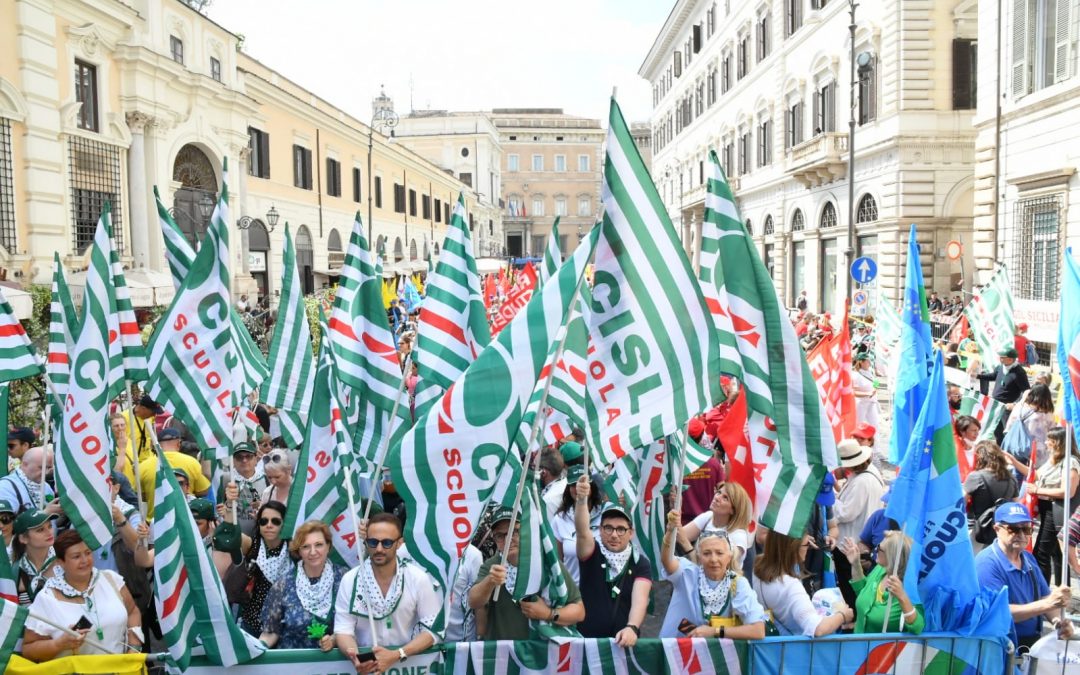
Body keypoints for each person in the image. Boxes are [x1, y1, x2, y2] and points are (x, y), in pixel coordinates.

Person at [335, 513, 440, 673]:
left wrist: (397, 655)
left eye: (386, 543)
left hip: (408, 666)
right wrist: (356, 657)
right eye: (372, 542)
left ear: (399, 543)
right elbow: (343, 630)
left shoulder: (417, 578)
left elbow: (433, 629)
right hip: (368, 668)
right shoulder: (350, 580)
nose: (378, 549)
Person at [22, 528, 143, 659]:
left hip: (122, 669)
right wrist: (59, 644)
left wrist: (134, 646)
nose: (85, 560)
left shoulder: (111, 579)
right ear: (61, 562)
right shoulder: (47, 598)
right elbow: (28, 649)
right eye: (76, 556)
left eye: (88, 553)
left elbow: (132, 612)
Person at [469, 507, 585, 641]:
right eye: (500, 536)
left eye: (514, 532)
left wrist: (548, 614)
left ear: (525, 532)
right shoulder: (492, 565)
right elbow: (474, 601)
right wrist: (490, 581)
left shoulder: (547, 563)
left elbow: (579, 611)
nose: (508, 539)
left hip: (540, 652)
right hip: (503, 654)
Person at [976, 502, 1074, 649]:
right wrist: (1046, 604)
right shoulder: (987, 563)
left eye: (1027, 529)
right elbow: (999, 612)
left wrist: (1058, 621)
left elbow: (1044, 596)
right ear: (997, 529)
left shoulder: (1028, 558)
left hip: (1030, 643)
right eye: (1014, 529)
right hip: (1000, 646)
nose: (1021, 535)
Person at [660, 511, 766, 640]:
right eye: (707, 553)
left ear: (730, 556)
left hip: (717, 655)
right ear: (699, 556)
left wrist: (715, 631)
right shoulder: (688, 573)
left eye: (719, 553)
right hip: (677, 652)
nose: (713, 559)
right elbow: (667, 561)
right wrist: (670, 533)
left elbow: (758, 631)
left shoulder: (737, 583)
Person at [573, 477, 651, 643]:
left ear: (631, 533)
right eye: (608, 528)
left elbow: (640, 599)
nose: (614, 534)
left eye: (621, 529)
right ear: (600, 530)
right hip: (588, 642)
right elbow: (581, 531)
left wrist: (632, 627)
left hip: (624, 642)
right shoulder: (591, 551)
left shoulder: (640, 562)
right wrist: (581, 500)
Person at [259, 520, 346, 650]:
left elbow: (356, 625)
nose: (312, 552)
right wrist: (257, 649)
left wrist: (334, 640)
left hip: (336, 666)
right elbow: (270, 632)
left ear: (328, 546)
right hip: (293, 665)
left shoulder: (345, 578)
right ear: (299, 551)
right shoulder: (283, 584)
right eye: (306, 546)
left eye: (319, 545)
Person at [753, 529, 853, 636]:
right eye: (806, 544)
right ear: (794, 547)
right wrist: (843, 615)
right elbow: (817, 629)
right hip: (791, 649)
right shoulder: (790, 585)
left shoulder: (758, 565)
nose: (808, 549)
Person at [832, 438, 885, 607]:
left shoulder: (862, 481)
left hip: (850, 544)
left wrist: (830, 499)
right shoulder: (871, 472)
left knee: (851, 588)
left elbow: (846, 513)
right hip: (859, 541)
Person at [839, 531, 924, 634]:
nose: (875, 550)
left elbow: (918, 628)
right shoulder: (881, 569)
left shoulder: (911, 588)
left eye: (879, 548)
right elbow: (863, 592)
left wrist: (902, 596)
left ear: (891, 556)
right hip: (859, 646)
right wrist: (855, 563)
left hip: (883, 649)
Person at [1029, 426, 1080, 586]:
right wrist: (1012, 461)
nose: (1046, 442)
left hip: (1057, 510)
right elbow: (1034, 475)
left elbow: (1068, 491)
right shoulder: (1054, 460)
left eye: (1049, 440)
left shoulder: (1070, 461)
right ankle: (1060, 591)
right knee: (1057, 555)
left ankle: (1044, 594)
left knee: (1042, 553)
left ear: (1057, 442)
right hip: (1047, 510)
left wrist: (1037, 490)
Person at [239, 501, 290, 636]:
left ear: (285, 523)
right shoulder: (251, 544)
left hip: (284, 626)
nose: (269, 525)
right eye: (263, 521)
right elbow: (231, 533)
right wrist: (229, 506)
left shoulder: (294, 548)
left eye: (275, 521)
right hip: (251, 623)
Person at [137, 427, 210, 519]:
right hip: (185, 519)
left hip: (156, 522)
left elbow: (141, 496)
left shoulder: (143, 466)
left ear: (158, 445)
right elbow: (204, 490)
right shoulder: (192, 462)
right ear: (179, 444)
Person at [679, 481, 753, 570]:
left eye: (725, 498)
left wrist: (687, 546)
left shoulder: (738, 536)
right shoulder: (709, 516)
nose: (717, 498)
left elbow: (715, 568)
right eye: (719, 492)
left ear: (733, 510)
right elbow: (678, 535)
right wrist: (676, 507)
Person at [550, 463, 601, 583]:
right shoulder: (560, 519)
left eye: (583, 484)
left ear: (591, 486)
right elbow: (557, 561)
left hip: (601, 591)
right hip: (574, 593)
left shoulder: (605, 515)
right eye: (573, 485)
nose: (578, 488)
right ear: (568, 489)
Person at [975, 348, 1030, 442]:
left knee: (1007, 430)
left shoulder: (1019, 372)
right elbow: (993, 376)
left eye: (1002, 357)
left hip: (1007, 407)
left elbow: (1026, 390)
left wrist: (1015, 404)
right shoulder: (1000, 367)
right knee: (996, 430)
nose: (1000, 359)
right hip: (995, 404)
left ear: (1011, 359)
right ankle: (999, 448)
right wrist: (978, 376)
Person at [1002, 384, 1056, 475]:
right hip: (1038, 451)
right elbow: (1052, 432)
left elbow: (1009, 426)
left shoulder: (1020, 407)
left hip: (1017, 447)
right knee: (1032, 476)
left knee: (1015, 471)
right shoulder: (1048, 414)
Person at [12, 509, 60, 604]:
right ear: (23, 538)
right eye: (40, 530)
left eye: (50, 526)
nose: (49, 532)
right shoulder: (15, 571)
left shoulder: (65, 560)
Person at [222, 441, 268, 536]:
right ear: (233, 461)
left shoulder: (267, 478)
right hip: (236, 536)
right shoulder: (226, 479)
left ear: (256, 459)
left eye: (248, 456)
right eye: (239, 457)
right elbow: (220, 508)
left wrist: (262, 506)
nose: (244, 460)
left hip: (262, 535)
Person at [0, 446, 60, 515]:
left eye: (49, 468)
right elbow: (6, 523)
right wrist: (45, 513)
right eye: (41, 467)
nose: (46, 472)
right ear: (25, 464)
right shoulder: (5, 487)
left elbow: (53, 522)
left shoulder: (46, 486)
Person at [121, 394, 165, 466]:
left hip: (147, 461)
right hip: (131, 463)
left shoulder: (150, 418)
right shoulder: (123, 418)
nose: (154, 415)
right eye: (153, 412)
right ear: (144, 408)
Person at [538, 447, 566, 523]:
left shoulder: (548, 500)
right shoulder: (566, 482)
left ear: (543, 472)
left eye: (535, 467)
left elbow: (548, 531)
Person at [852, 356, 879, 433]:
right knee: (860, 426)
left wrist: (875, 388)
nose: (870, 363)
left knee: (874, 425)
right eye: (867, 361)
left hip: (872, 403)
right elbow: (852, 391)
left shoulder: (870, 371)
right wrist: (867, 394)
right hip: (861, 405)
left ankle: (873, 443)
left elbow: (876, 381)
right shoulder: (855, 375)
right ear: (861, 362)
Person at [954, 415, 982, 482]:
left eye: (978, 430)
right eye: (974, 430)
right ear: (962, 431)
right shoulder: (952, 448)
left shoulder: (979, 449)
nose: (977, 433)